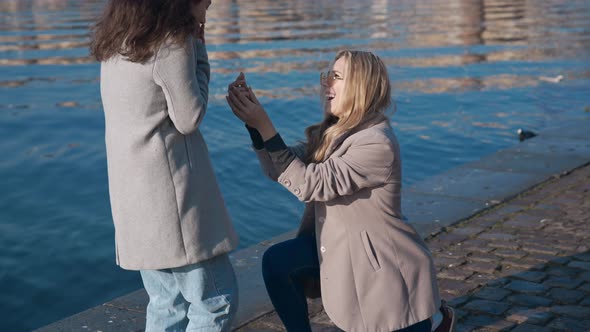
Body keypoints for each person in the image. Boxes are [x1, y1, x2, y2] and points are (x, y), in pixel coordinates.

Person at [226, 51, 456, 332]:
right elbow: (281, 169)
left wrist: (265, 124)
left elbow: (310, 184)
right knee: (277, 262)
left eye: (335, 77)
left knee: (395, 320)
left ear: (361, 85)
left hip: (383, 273)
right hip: (339, 249)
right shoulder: (333, 133)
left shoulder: (376, 143)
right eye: (327, 76)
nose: (326, 84)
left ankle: (434, 321)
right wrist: (254, 126)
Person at [90, 0, 239, 331]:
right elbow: (189, 117)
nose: (209, 9)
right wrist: (199, 50)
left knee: (165, 304)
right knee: (217, 301)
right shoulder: (172, 40)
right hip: (173, 203)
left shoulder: (117, 41)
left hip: (134, 199)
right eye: (207, 3)